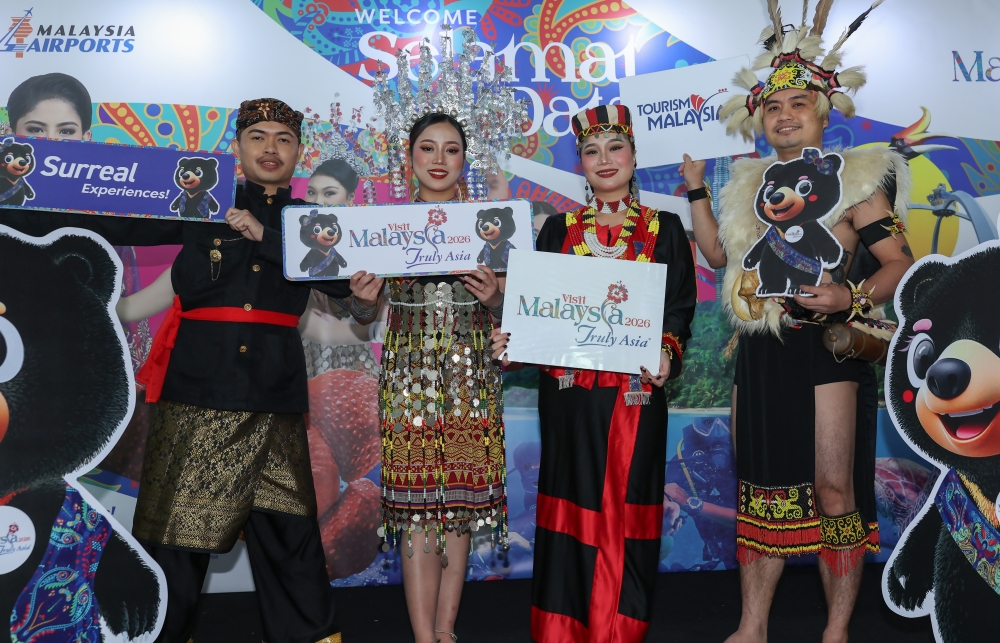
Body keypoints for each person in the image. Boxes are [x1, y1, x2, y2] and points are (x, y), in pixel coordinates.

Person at [1, 97, 349, 643]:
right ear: (236, 147)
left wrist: (265, 235)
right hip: (197, 396)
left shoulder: (311, 221)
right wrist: (20, 195)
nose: (270, 148)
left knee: (292, 539)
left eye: (283, 139)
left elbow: (344, 282)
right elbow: (106, 215)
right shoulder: (201, 199)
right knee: (175, 542)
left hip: (276, 402)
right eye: (258, 137)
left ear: (298, 151)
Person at [686, 6, 914, 642]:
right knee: (760, 489)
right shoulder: (746, 185)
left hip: (828, 350)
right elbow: (720, 257)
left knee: (834, 490)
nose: (784, 115)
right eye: (773, 106)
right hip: (761, 351)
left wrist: (849, 295)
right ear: (759, 117)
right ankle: (752, 626)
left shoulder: (860, 179)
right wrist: (697, 190)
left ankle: (836, 631)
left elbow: (901, 263)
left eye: (798, 104)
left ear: (823, 112)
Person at [492, 104, 698, 643]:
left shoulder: (665, 228)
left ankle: (619, 630)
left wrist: (667, 352)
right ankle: (563, 630)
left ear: (633, 154)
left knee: (628, 510)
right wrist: (515, 343)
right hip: (570, 397)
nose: (604, 159)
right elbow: (539, 311)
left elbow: (679, 308)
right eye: (591, 150)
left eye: (615, 147)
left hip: (635, 395)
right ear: (580, 162)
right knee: (571, 506)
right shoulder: (557, 230)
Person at [348, 109, 510, 643]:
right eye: (428, 148)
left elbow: (515, 311)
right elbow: (364, 315)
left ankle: (446, 631)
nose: (439, 159)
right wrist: (362, 300)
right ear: (410, 157)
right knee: (417, 510)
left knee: (459, 508)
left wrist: (497, 298)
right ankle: (424, 637)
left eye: (451, 149)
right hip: (409, 384)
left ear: (464, 161)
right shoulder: (384, 229)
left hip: (471, 382)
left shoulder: (489, 226)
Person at [4, 72, 152, 372]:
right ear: (11, 134)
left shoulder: (109, 206)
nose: (51, 141)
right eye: (35, 129)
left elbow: (187, 233)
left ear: (86, 138)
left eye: (66, 131)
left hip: (79, 366)